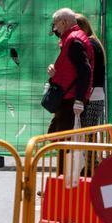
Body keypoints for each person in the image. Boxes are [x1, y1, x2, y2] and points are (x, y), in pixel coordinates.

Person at [45, 8, 94, 143]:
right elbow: (71, 68)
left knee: (60, 139)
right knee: (55, 135)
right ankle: (65, 162)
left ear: (64, 22)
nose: (55, 28)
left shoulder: (74, 41)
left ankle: (64, 164)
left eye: (56, 23)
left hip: (70, 98)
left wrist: (78, 99)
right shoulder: (71, 39)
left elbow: (85, 71)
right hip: (67, 97)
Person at [74, 14, 107, 129]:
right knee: (88, 135)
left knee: (86, 136)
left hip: (90, 96)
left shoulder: (89, 45)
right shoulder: (94, 42)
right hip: (95, 95)